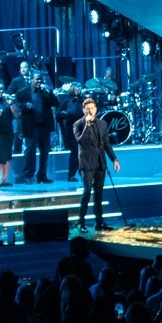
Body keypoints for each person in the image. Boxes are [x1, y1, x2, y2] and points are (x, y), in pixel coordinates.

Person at [72, 96, 118, 230]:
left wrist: (114, 159)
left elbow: (106, 144)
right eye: (87, 109)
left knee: (99, 194)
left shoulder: (102, 124)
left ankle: (99, 222)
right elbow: (81, 141)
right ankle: (81, 222)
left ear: (96, 109)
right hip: (86, 163)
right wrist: (87, 124)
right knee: (87, 192)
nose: (90, 111)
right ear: (83, 111)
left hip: (100, 162)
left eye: (92, 108)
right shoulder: (78, 124)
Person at [15, 70, 57, 183]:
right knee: (30, 151)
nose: (39, 81)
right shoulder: (22, 92)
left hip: (45, 125)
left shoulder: (45, 92)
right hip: (31, 126)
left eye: (41, 79)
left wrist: (50, 92)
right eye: (37, 79)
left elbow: (55, 103)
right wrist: (25, 105)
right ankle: (27, 175)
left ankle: (42, 176)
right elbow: (16, 105)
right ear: (31, 80)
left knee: (45, 151)